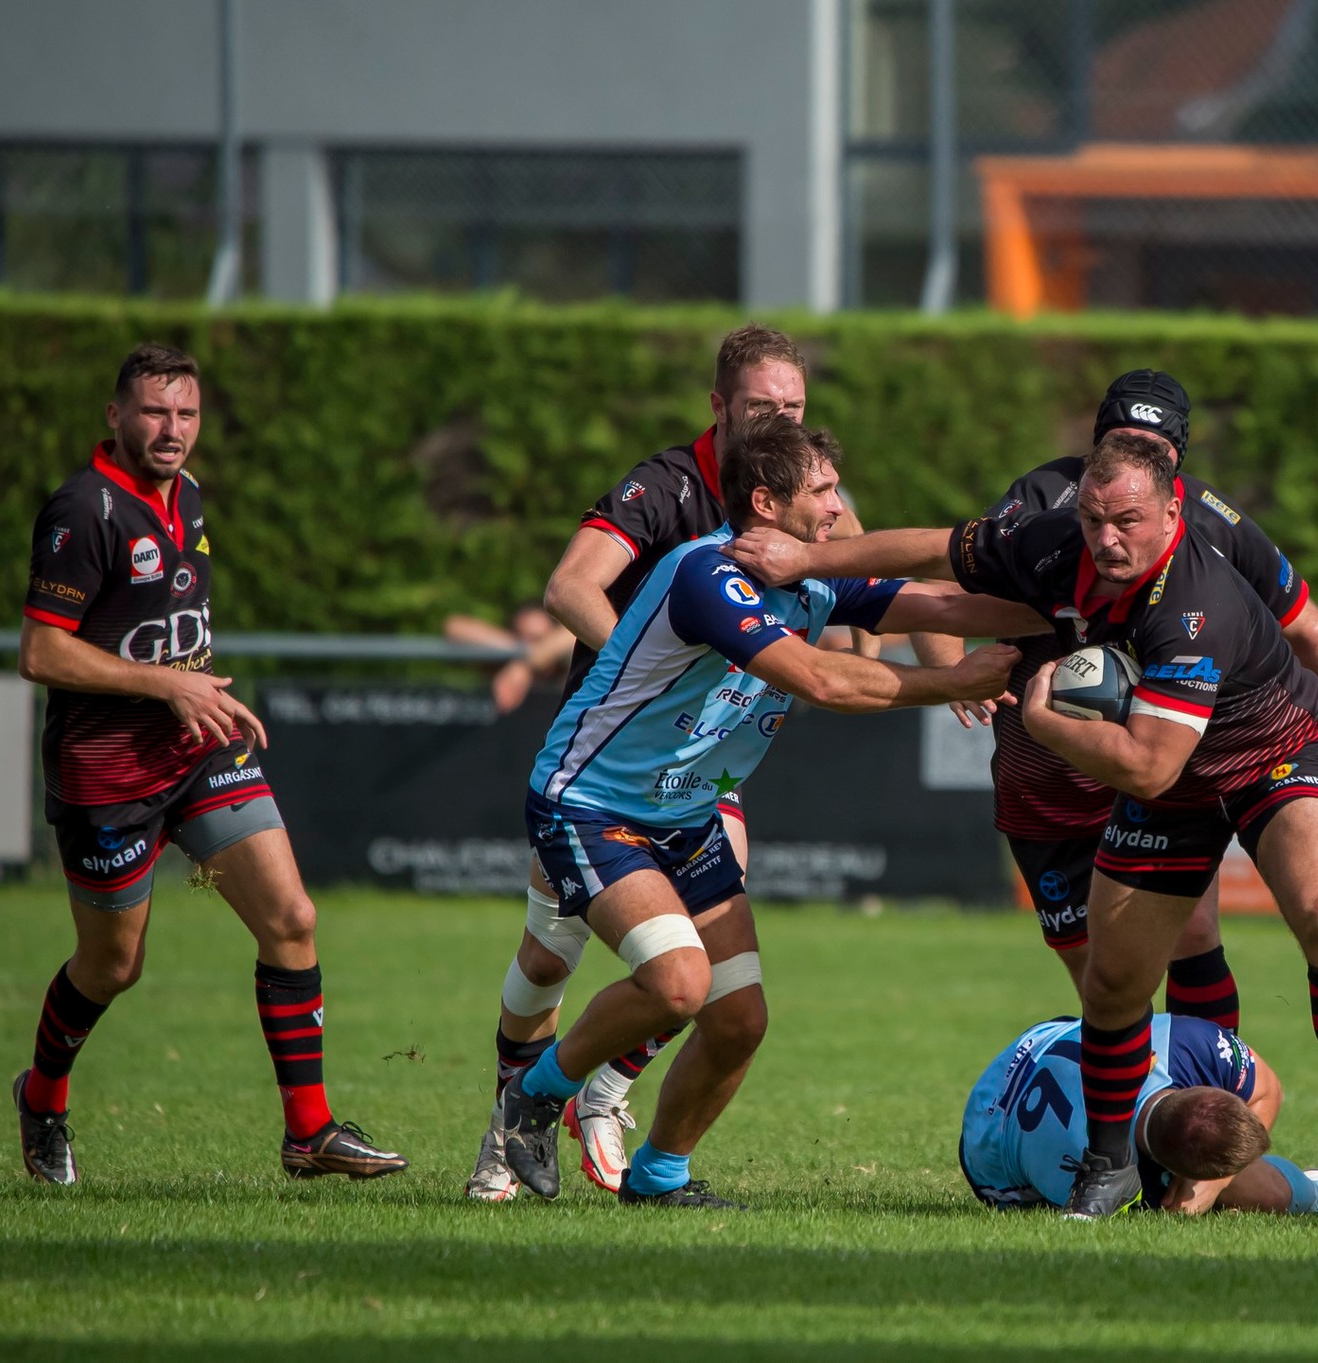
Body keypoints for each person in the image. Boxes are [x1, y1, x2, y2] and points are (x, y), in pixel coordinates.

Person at [734, 434, 1318, 1218]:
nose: (1107, 538)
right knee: (1115, 981)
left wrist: (1049, 724)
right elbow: (935, 552)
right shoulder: (1058, 541)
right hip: (1173, 783)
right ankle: (1111, 1161)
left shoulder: (1195, 604)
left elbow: (1147, 766)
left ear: (1172, 510)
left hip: (1271, 751)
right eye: (1093, 519)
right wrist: (801, 562)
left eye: (1126, 520)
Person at [493, 416, 1036, 1207]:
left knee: (739, 1018)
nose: (835, 507)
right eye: (820, 492)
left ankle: (658, 1177)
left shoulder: (812, 574)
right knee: (678, 984)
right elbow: (823, 681)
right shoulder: (706, 575)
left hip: (684, 814)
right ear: (765, 503)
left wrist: (1077, 612)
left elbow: (945, 607)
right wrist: (956, 684)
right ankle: (533, 1096)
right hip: (590, 802)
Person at [470, 323, 850, 1201]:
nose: (778, 419)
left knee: (711, 977)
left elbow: (865, 572)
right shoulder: (667, 484)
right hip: (607, 761)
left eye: (793, 406)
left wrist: (954, 669)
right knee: (549, 955)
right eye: (762, 406)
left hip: (697, 772)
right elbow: (570, 587)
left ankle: (605, 1092)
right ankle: (507, 1123)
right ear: (720, 408)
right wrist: (647, 678)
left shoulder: (801, 490)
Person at [13, 343, 406, 1185]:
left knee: (291, 917)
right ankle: (43, 1095)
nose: (172, 429)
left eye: (186, 413)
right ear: (114, 416)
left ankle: (309, 1132)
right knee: (113, 964)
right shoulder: (84, 511)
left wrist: (193, 693)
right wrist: (164, 683)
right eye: (154, 411)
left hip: (198, 751)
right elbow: (42, 651)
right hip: (107, 777)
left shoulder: (186, 496)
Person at [916, 370, 1318, 1025]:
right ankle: (1147, 1102)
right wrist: (949, 669)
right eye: (1122, 439)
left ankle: (1206, 1102)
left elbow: (1308, 625)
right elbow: (943, 577)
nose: (1136, 458)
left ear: (1176, 460)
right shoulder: (1044, 498)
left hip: (1154, 767)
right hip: (1049, 779)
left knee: (1193, 935)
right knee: (1101, 978)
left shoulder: (1213, 522)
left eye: (1156, 445)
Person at [961, 1013, 1318, 1219]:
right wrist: (1222, 1184)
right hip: (988, 1155)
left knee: (1233, 1181)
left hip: (1036, 1044)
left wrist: (1213, 1182)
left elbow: (1266, 1089)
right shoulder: (1108, 1182)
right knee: (1258, 1190)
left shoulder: (1187, 1043)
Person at [441, 602, 574, 713]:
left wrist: (526, 664)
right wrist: (522, 656)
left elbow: (573, 635)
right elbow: (454, 626)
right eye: (521, 639)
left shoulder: (569, 671)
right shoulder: (501, 666)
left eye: (537, 639)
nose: (527, 645)